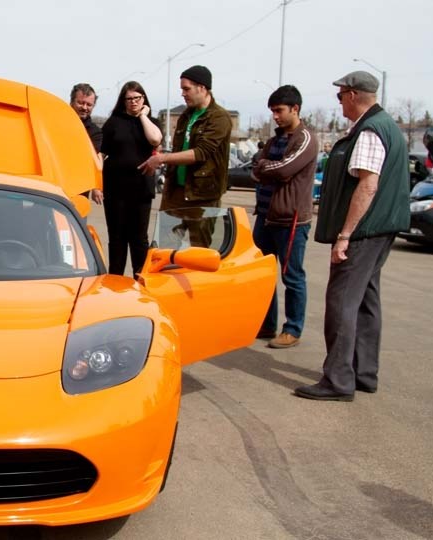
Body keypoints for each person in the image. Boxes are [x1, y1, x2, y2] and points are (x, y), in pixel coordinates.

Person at [295, 71, 410, 402]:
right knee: (366, 300)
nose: (339, 103)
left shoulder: (371, 130)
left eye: (340, 96)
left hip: (363, 231)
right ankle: (363, 373)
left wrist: (345, 235)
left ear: (352, 95)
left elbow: (368, 184)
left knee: (342, 299)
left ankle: (338, 380)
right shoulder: (385, 126)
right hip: (380, 228)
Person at [251, 85, 319, 349]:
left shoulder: (305, 139)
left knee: (292, 276)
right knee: (264, 275)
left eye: (279, 111)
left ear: (295, 109)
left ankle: (292, 329)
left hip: (290, 220)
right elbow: (258, 169)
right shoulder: (274, 140)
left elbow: (285, 169)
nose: (275, 116)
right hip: (266, 217)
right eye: (272, 111)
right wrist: (269, 168)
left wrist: (268, 167)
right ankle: (267, 324)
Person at [139, 65, 232, 248]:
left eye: (186, 89)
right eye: (182, 89)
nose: (183, 94)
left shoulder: (219, 118)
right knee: (163, 249)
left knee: (201, 253)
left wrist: (162, 159)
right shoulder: (185, 116)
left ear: (202, 88)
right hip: (176, 193)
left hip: (203, 196)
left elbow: (201, 153)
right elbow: (178, 149)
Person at [99, 81, 162, 276]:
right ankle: (115, 279)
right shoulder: (113, 123)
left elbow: (155, 140)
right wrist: (97, 184)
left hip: (141, 189)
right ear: (123, 101)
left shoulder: (151, 122)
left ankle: (140, 278)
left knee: (139, 239)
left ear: (144, 99)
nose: (133, 102)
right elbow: (102, 154)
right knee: (117, 238)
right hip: (115, 189)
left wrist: (143, 116)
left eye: (137, 98)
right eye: (129, 99)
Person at [69, 83, 103, 204]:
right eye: (80, 102)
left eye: (89, 104)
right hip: (54, 186)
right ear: (71, 101)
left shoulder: (95, 132)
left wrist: (96, 187)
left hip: (79, 190)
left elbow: (94, 160)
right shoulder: (56, 123)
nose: (84, 107)